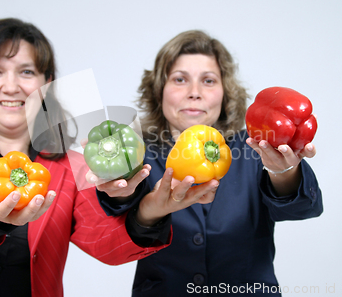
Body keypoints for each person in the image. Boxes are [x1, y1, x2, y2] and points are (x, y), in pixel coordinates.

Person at [0, 19, 218, 297]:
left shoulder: (67, 164)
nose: (12, 86)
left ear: (45, 85)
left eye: (26, 72)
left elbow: (107, 243)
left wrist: (150, 211)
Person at [93, 30, 323, 296]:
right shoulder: (137, 152)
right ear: (159, 90)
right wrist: (138, 200)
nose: (195, 93)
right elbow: (124, 231)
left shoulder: (256, 146)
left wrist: (283, 170)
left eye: (209, 81)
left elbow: (303, 209)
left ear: (225, 92)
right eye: (180, 79)